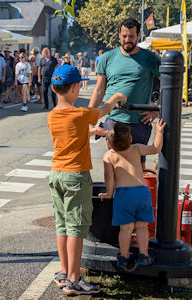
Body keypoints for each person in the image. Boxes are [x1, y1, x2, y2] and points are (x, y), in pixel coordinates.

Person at [47, 64, 127, 296]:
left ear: (53, 88)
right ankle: (74, 279)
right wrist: (116, 97)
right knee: (76, 228)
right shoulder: (81, 113)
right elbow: (103, 109)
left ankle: (64, 273)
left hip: (57, 174)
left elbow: (69, 133)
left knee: (62, 225)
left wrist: (91, 133)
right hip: (76, 177)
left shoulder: (53, 116)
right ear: (75, 88)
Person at [89, 17, 161, 169]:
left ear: (138, 36)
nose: (127, 40)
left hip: (139, 121)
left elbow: (169, 86)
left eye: (132, 36)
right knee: (115, 164)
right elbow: (99, 89)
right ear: (119, 35)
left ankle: (137, 192)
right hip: (114, 120)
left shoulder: (150, 58)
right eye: (124, 36)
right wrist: (89, 114)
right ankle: (114, 193)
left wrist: (156, 111)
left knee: (137, 166)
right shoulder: (108, 58)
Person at [98, 120, 165, 268]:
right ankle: (144, 255)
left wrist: (109, 193)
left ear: (109, 142)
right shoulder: (136, 148)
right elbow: (155, 148)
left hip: (123, 195)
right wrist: (159, 132)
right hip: (142, 192)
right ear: (130, 138)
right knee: (142, 227)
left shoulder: (109, 156)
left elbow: (109, 177)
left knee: (125, 228)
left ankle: (124, 256)